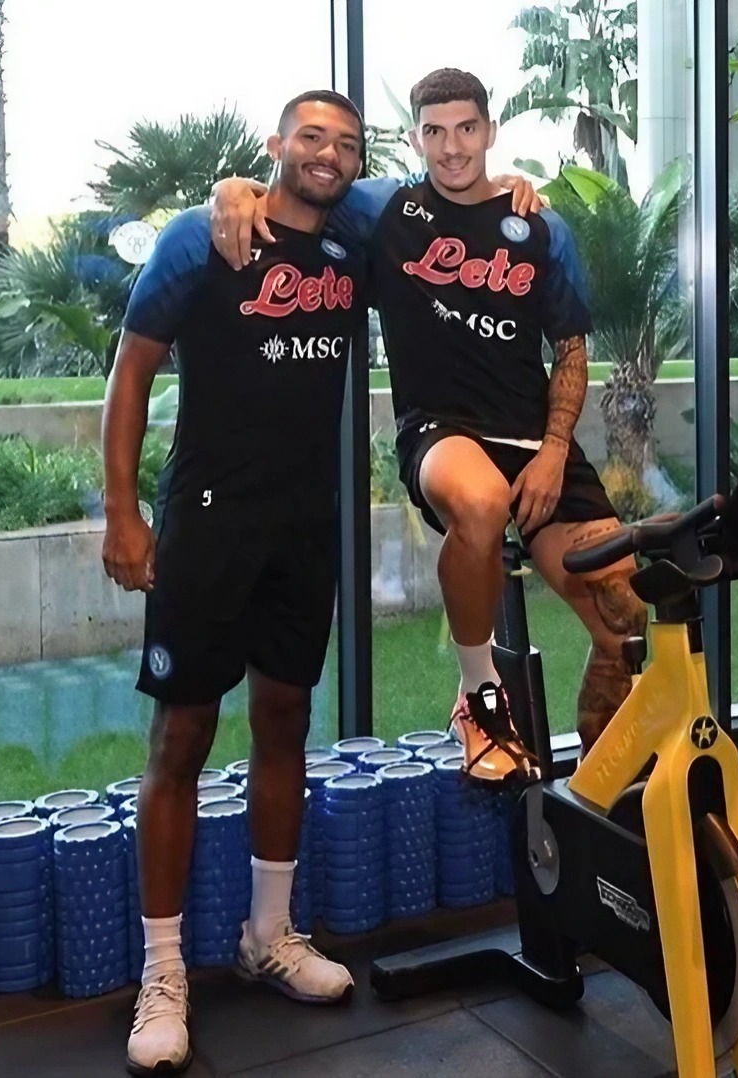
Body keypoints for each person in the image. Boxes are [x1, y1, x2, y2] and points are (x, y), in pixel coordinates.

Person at [209, 68, 643, 776]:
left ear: (490, 132)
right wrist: (231, 188)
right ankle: (478, 694)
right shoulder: (384, 210)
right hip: (441, 431)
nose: (451, 148)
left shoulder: (540, 225)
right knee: (479, 502)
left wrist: (556, 448)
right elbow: (293, 190)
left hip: (538, 444)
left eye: (466, 129)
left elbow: (570, 348)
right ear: (415, 139)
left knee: (624, 623)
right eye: (434, 133)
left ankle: (603, 796)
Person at [101, 90, 369, 1077]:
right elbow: (130, 370)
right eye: (312, 137)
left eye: (346, 143)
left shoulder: (354, 245)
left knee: (286, 717)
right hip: (208, 522)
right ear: (276, 146)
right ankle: (162, 970)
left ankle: (268, 934)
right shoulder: (200, 236)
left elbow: (448, 210)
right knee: (180, 734)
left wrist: (516, 191)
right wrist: (123, 512)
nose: (328, 154)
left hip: (305, 527)